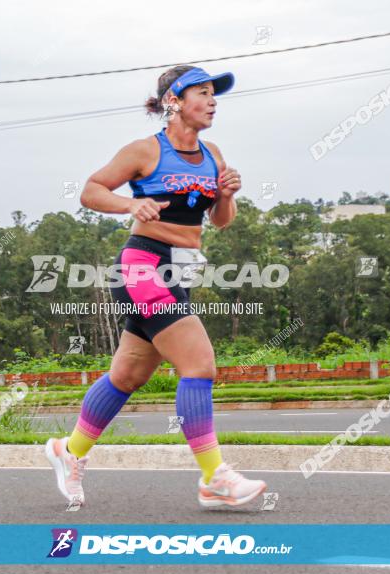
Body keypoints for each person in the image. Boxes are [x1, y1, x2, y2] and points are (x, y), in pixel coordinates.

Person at [44, 64, 267, 508]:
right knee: (199, 364)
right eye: (201, 93)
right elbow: (91, 190)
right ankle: (214, 479)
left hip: (181, 271)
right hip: (142, 265)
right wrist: (131, 202)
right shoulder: (144, 151)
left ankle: (69, 452)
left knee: (128, 375)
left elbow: (220, 223)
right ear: (174, 101)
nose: (212, 101)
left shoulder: (213, 154)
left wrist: (226, 195)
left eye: (213, 94)